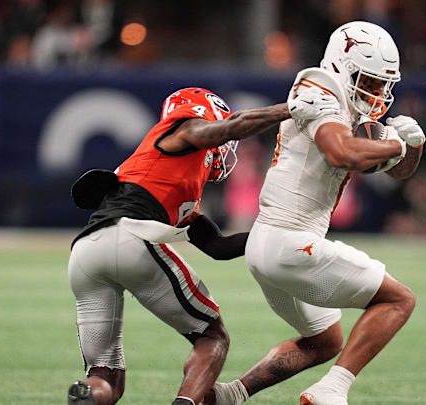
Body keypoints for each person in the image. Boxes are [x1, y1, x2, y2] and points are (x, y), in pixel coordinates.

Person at [66, 86, 340, 405]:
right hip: (131, 237)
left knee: (105, 378)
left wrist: (283, 237)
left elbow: (219, 247)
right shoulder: (182, 128)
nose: (227, 147)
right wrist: (287, 109)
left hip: (85, 252)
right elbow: (227, 127)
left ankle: (86, 396)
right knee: (213, 338)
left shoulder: (169, 179)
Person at [206, 21, 425, 405]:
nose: (377, 93)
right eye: (369, 81)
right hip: (289, 241)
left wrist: (412, 147)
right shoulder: (320, 87)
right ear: (342, 65)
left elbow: (399, 173)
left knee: (326, 341)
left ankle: (231, 394)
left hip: (269, 245)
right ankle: (332, 389)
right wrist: (394, 147)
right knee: (399, 300)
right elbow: (342, 152)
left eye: (383, 84)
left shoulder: (353, 110)